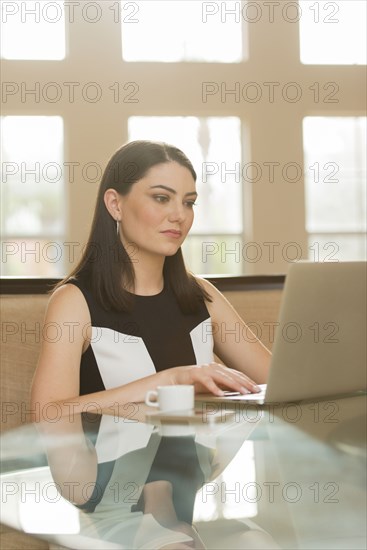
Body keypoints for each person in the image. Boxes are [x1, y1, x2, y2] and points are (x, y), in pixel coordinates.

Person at [31, 140, 271, 418]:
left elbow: (281, 384)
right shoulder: (73, 303)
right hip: (106, 460)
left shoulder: (202, 295)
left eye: (189, 202)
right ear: (115, 204)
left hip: (198, 461)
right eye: (161, 198)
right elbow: (45, 414)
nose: (179, 215)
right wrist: (169, 381)